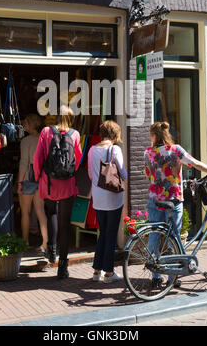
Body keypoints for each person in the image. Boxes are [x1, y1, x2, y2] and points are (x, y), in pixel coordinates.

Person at [144, 121, 207, 288]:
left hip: (154, 199)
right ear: (166, 134)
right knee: (173, 237)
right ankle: (172, 277)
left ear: (153, 136)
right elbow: (195, 163)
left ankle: (155, 275)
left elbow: (148, 175)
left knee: (154, 234)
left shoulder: (148, 152)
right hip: (173, 199)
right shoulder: (175, 150)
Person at [33, 105, 83, 279]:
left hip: (49, 182)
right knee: (65, 223)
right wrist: (70, 174)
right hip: (67, 183)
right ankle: (63, 266)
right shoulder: (75, 134)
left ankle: (51, 249)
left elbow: (37, 158)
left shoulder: (46, 132)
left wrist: (39, 177)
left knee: (51, 213)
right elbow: (78, 158)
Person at [88, 120, 127, 283]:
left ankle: (97, 271)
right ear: (115, 134)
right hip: (113, 197)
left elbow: (91, 174)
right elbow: (123, 173)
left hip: (97, 197)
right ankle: (109, 273)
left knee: (103, 232)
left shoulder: (91, 150)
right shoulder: (115, 149)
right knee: (110, 234)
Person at [17, 114, 48, 255]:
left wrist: (19, 182)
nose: (24, 126)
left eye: (26, 123)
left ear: (32, 124)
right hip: (41, 178)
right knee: (41, 212)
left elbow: (23, 163)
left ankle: (25, 242)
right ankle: (45, 243)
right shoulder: (44, 140)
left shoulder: (26, 141)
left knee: (25, 213)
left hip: (28, 179)